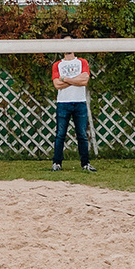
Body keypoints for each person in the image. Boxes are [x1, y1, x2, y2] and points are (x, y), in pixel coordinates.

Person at [50, 38, 95, 172]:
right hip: (63, 103)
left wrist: (65, 79)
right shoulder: (57, 65)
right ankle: (57, 163)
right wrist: (75, 80)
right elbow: (57, 84)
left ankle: (85, 164)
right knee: (60, 134)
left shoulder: (82, 62)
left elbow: (85, 80)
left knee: (82, 134)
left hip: (79, 102)